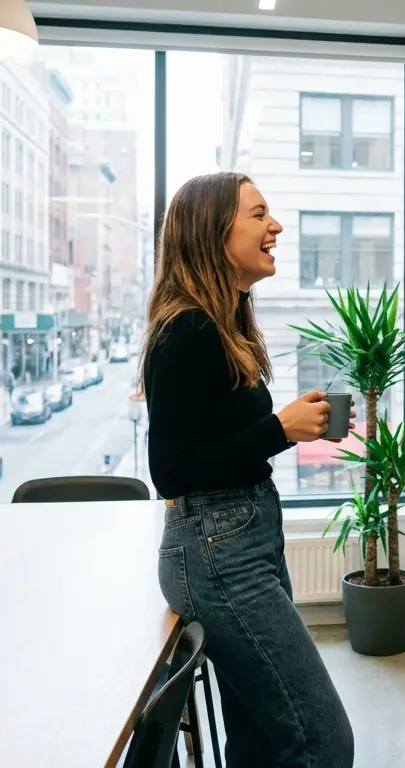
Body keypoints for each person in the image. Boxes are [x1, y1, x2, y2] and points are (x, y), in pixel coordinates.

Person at [142, 172, 355, 767]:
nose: (276, 226)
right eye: (259, 215)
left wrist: (287, 429)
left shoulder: (222, 322)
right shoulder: (188, 329)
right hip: (218, 552)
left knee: (261, 740)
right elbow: (173, 469)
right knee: (323, 739)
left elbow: (222, 443)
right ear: (215, 232)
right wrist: (278, 430)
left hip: (239, 541)